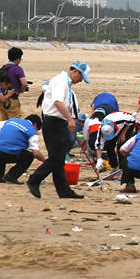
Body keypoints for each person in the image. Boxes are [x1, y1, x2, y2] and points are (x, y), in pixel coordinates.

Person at [26, 61, 90, 200]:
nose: (80, 81)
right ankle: (34, 180)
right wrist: (70, 119)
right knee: (56, 158)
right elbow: (57, 102)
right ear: (75, 72)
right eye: (81, 78)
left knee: (59, 159)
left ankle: (64, 190)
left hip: (58, 122)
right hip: (53, 121)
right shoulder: (60, 81)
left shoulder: (65, 82)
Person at [0, 114, 43, 184]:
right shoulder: (32, 131)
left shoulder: (12, 120)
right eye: (37, 129)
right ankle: (11, 176)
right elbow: (36, 153)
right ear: (35, 124)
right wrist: (46, 161)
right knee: (29, 156)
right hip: (4, 153)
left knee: (5, 147)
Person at [0, 47, 28, 122]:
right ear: (18, 59)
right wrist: (22, 90)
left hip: (1, 99)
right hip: (12, 100)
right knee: (16, 122)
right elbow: (24, 83)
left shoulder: (3, 68)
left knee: (2, 123)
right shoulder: (17, 69)